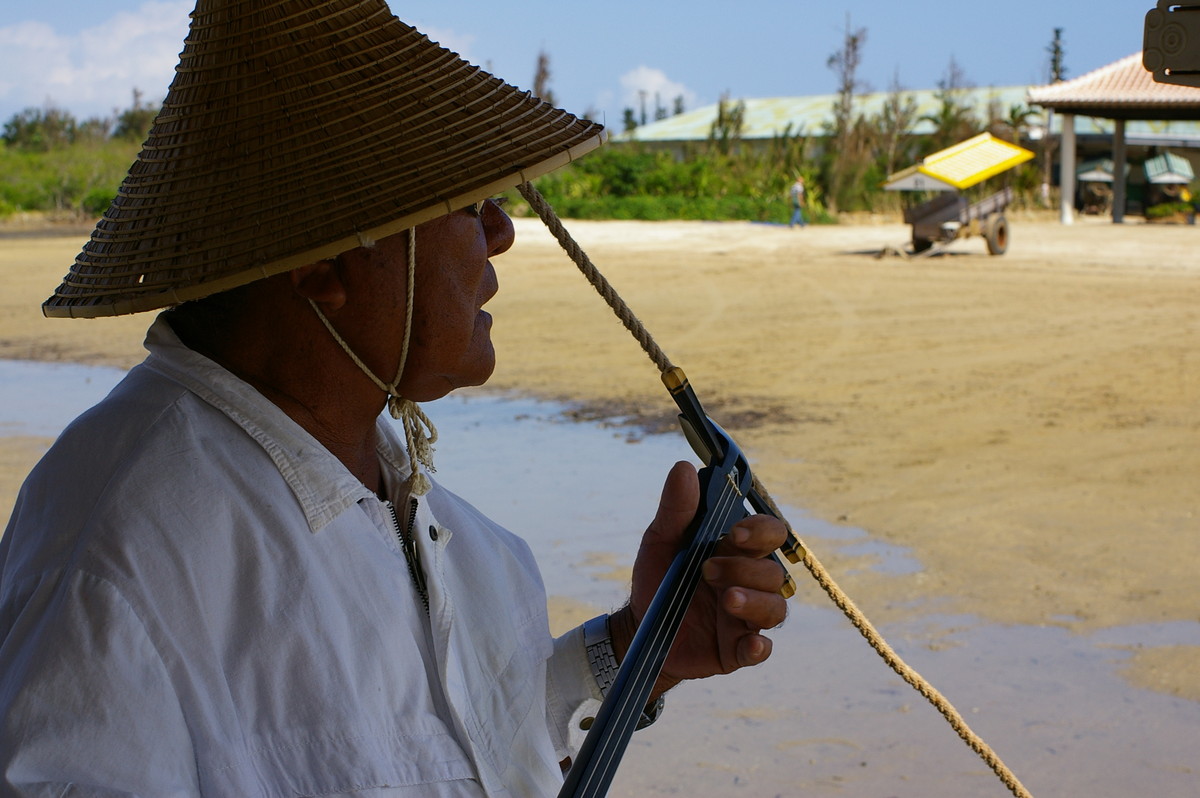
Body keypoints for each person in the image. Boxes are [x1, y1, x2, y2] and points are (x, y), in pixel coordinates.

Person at [0, 1, 789, 795]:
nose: (502, 230)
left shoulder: (450, 534)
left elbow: (426, 746)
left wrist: (638, 648)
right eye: (465, 201)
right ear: (323, 262)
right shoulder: (120, 551)